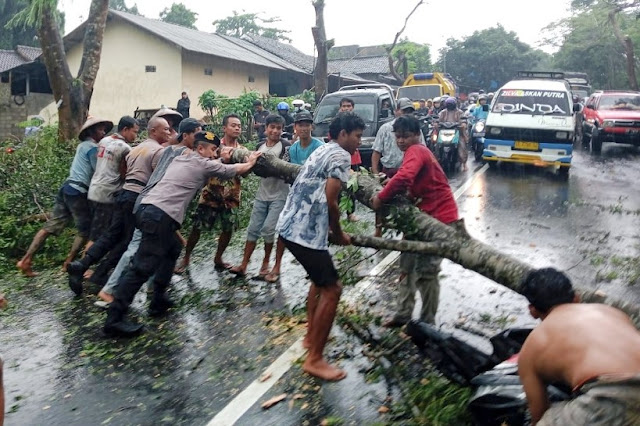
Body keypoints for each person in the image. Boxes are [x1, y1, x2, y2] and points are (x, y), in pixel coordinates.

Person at [103, 132, 261, 336]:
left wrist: (222, 157)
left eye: (216, 150)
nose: (214, 154)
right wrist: (252, 160)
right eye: (212, 150)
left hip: (148, 210)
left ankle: (158, 299)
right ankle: (114, 319)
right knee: (142, 267)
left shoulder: (183, 157)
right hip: (159, 215)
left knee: (173, 248)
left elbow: (214, 165)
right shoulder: (203, 164)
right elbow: (238, 169)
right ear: (200, 149)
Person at [277, 111, 365, 381]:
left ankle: (309, 338)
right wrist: (338, 233)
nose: (359, 142)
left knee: (318, 281)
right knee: (332, 289)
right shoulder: (340, 155)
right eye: (357, 136)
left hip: (291, 226)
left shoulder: (323, 149)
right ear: (342, 135)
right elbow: (331, 200)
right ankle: (315, 358)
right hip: (304, 231)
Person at [93, 118, 201, 305]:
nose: (168, 132)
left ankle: (155, 290)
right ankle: (110, 291)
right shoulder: (182, 154)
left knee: (169, 247)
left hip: (149, 203)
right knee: (136, 249)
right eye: (197, 135)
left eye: (170, 130)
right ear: (187, 135)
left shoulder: (168, 150)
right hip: (150, 204)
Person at [518, 268, 640, 425]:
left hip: (613, 395)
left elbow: (538, 413)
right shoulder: (611, 312)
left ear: (532, 311)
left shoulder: (531, 347)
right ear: (576, 298)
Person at [371, 115, 459, 327]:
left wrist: (380, 198)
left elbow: (404, 178)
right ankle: (403, 314)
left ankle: (427, 324)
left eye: (406, 136)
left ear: (417, 135)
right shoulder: (414, 153)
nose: (401, 141)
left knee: (427, 273)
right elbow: (410, 183)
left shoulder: (417, 150)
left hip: (439, 220)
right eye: (398, 137)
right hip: (420, 218)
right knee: (407, 267)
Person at [66, 117, 170, 295]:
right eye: (166, 129)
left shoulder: (114, 143)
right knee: (124, 239)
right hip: (118, 193)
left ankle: (83, 265)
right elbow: (142, 177)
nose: (169, 132)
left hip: (102, 190)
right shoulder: (135, 149)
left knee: (110, 234)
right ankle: (96, 273)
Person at [16, 116, 113, 277]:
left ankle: (25, 260)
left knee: (50, 227)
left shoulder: (82, 146)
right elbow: (99, 171)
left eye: (104, 129)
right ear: (92, 131)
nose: (103, 132)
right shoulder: (92, 148)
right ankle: (69, 263)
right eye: (100, 129)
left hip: (67, 188)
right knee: (86, 231)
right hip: (78, 191)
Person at [176, 114, 246, 273]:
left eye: (239, 126)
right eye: (233, 125)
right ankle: (186, 257)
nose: (237, 128)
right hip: (211, 193)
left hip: (231, 196)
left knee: (228, 229)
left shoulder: (242, 151)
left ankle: (218, 258)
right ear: (224, 128)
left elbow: (245, 174)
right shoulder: (213, 146)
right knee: (197, 226)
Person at [265, 110, 323, 283]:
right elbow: (284, 170)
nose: (304, 128)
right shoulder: (291, 150)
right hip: (295, 196)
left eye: (307, 124)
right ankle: (276, 266)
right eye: (300, 125)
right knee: (283, 230)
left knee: (314, 234)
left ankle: (314, 268)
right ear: (295, 127)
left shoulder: (319, 147)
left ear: (311, 126)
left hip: (315, 198)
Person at [230, 114, 291, 278]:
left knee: (268, 229)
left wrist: (266, 169)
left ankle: (265, 264)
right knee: (253, 229)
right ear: (266, 129)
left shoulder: (286, 146)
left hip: (280, 195)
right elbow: (252, 168)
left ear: (282, 130)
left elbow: (286, 171)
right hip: (262, 194)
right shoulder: (259, 146)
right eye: (272, 127)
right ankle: (243, 265)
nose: (275, 131)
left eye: (279, 128)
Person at [86, 116, 139, 248]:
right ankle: (85, 266)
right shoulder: (126, 148)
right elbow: (123, 173)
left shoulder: (104, 140)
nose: (136, 136)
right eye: (135, 132)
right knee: (98, 234)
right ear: (125, 129)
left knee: (98, 230)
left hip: (94, 189)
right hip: (108, 193)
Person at [339, 97, 360, 222]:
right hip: (340, 157)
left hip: (353, 157)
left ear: (353, 107)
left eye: (348, 106)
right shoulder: (337, 122)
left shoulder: (356, 121)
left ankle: (350, 213)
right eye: (344, 106)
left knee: (352, 185)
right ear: (340, 108)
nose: (346, 108)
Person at [438, 97, 469, 172]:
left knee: (462, 145)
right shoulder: (443, 112)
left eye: (451, 104)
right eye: (448, 104)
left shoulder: (460, 112)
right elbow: (437, 119)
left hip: (457, 131)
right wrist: (436, 123)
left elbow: (463, 119)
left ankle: (464, 163)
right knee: (435, 143)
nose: (450, 106)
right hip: (444, 131)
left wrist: (463, 124)